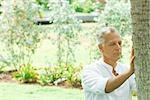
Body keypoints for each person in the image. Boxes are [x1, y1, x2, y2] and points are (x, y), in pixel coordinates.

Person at [81, 27, 136, 100]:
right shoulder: (89, 71)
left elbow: (141, 88)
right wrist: (130, 72)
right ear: (101, 47)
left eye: (119, 43)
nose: (118, 47)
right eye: (112, 44)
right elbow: (106, 88)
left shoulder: (125, 69)